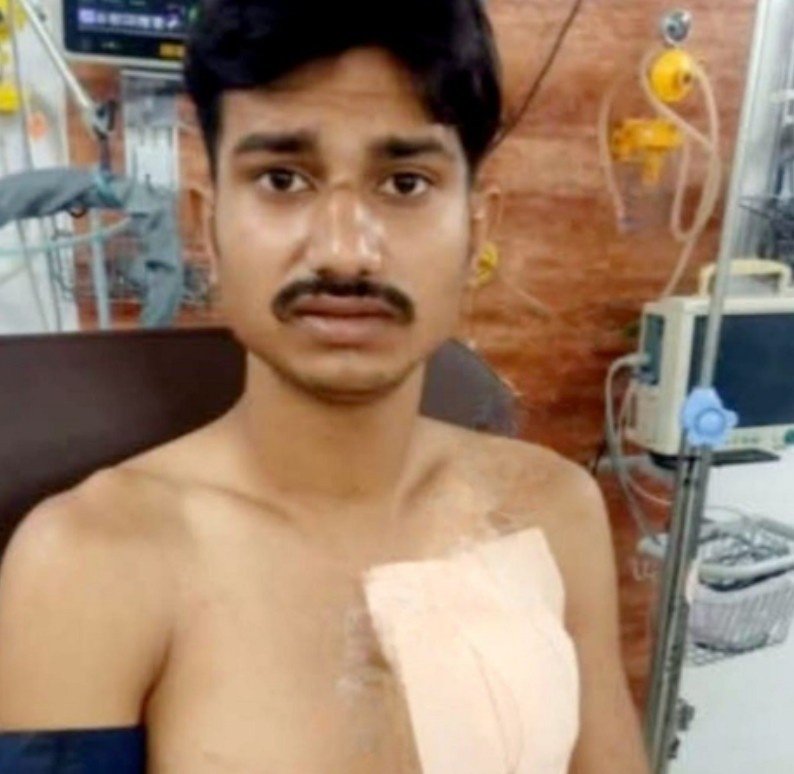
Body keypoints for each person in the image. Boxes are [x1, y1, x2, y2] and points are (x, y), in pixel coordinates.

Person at [0, 0, 649, 771]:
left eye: (404, 183)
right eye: (283, 179)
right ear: (209, 228)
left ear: (477, 230)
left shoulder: (553, 512)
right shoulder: (92, 564)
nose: (345, 251)